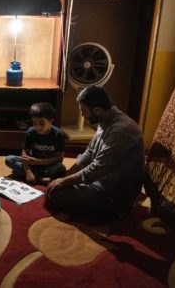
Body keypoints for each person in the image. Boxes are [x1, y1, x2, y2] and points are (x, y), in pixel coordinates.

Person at [46, 86, 145, 219]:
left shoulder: (121, 130)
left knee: (56, 195)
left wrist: (64, 182)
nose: (82, 115)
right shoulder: (104, 120)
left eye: (84, 111)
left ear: (96, 110)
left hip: (114, 193)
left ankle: (111, 212)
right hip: (100, 181)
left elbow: (97, 169)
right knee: (58, 179)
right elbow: (88, 154)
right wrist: (65, 176)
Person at [5, 102, 66, 185]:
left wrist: (38, 161)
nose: (38, 127)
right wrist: (28, 171)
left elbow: (60, 158)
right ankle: (40, 178)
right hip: (32, 164)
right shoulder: (30, 132)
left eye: (42, 123)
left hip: (48, 165)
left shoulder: (57, 134)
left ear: (51, 121)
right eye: (34, 123)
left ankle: (31, 176)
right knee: (9, 159)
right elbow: (25, 152)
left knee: (60, 169)